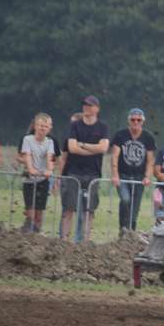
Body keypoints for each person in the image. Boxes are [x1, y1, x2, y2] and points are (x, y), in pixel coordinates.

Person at [61, 96, 110, 243]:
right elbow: (72, 148)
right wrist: (93, 149)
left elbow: (103, 148)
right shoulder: (75, 125)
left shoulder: (103, 127)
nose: (86, 107)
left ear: (97, 109)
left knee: (89, 210)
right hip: (74, 172)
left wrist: (82, 145)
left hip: (93, 173)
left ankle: (86, 241)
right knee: (69, 207)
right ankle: (64, 240)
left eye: (90, 105)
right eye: (84, 105)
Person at [109, 108, 156, 235]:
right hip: (123, 175)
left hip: (139, 177)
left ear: (143, 121)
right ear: (129, 120)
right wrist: (115, 174)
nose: (136, 122)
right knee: (125, 200)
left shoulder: (148, 137)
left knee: (135, 207)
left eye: (138, 120)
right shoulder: (120, 135)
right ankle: (123, 228)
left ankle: (131, 233)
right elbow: (114, 156)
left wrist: (147, 176)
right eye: (133, 119)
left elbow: (150, 160)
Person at [19, 113, 55, 233]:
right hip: (29, 180)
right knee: (30, 213)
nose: (43, 128)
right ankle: (27, 234)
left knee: (39, 214)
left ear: (49, 128)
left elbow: (50, 157)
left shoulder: (50, 142)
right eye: (40, 125)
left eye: (46, 126)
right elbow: (27, 155)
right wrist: (31, 169)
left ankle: (36, 237)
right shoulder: (27, 139)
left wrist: (49, 170)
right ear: (35, 126)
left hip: (42, 180)